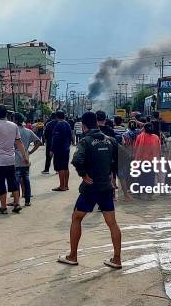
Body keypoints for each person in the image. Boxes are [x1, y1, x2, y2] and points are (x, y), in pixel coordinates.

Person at [58, 111, 121, 269]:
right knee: (112, 223)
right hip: (106, 187)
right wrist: (112, 176)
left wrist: (84, 175)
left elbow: (77, 160)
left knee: (76, 218)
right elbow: (121, 159)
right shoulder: (111, 140)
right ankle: (117, 259)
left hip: (91, 187)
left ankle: (72, 256)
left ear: (84, 126)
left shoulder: (85, 141)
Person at [0, 105, 29, 214]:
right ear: (6, 114)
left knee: (1, 183)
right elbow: (19, 142)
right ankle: (17, 204)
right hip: (11, 160)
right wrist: (25, 156)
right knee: (13, 182)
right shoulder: (14, 126)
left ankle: (3, 207)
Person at [13, 113, 42, 206]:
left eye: (13, 119)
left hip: (16, 159)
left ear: (16, 121)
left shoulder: (13, 131)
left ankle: (16, 201)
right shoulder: (28, 131)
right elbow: (39, 142)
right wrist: (29, 152)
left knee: (16, 181)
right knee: (26, 179)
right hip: (26, 158)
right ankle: (27, 201)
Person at [134, 122, 160, 197]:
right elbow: (158, 150)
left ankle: (139, 193)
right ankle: (149, 194)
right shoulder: (156, 137)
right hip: (151, 162)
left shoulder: (139, 137)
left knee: (140, 177)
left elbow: (136, 148)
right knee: (150, 178)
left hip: (141, 161)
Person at [51, 110, 72, 191]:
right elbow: (71, 136)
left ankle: (62, 186)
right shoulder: (67, 124)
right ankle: (66, 185)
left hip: (60, 149)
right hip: (66, 148)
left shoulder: (58, 125)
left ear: (57, 117)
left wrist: (52, 150)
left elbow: (56, 139)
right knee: (66, 167)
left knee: (60, 168)